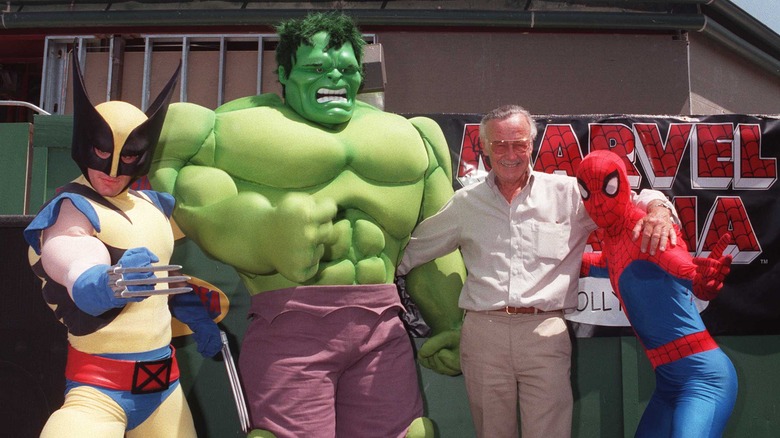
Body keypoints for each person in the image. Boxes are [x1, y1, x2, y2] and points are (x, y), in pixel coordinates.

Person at [149, 12, 465, 438]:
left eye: (348, 68)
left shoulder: (411, 138)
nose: (335, 76)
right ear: (283, 72)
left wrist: (452, 324)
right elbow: (201, 207)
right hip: (291, 325)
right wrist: (265, 234)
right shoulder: (225, 129)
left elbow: (436, 244)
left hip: (383, 326)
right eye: (316, 67)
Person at [396, 104, 678, 438]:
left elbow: (637, 199)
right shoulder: (467, 203)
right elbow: (413, 249)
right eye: (500, 145)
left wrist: (659, 211)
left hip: (546, 332)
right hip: (483, 333)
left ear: (533, 143)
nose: (510, 154)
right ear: (484, 147)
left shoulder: (568, 195)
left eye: (519, 143)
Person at [23, 54, 221, 437]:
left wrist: (191, 309)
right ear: (84, 142)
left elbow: (159, 279)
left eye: (128, 156)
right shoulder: (73, 207)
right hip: (98, 391)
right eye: (102, 153)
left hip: (166, 390)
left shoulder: (152, 206)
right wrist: (94, 281)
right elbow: (68, 250)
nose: (112, 171)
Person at [577, 150, 737, 437]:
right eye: (588, 192)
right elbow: (607, 262)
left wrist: (699, 279)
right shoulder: (615, 239)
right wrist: (569, 263)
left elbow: (679, 264)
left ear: (622, 185)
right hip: (668, 384)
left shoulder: (647, 228)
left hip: (704, 379)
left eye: (607, 188)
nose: (598, 202)